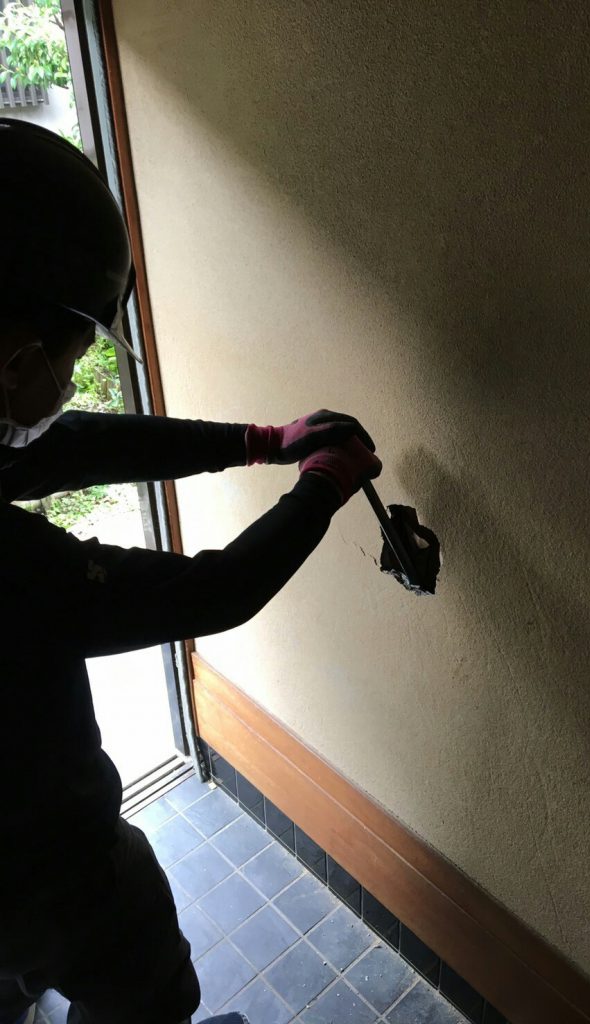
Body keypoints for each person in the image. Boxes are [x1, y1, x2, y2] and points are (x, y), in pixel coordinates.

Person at [0, 118, 381, 1024]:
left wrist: (259, 442)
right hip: (46, 868)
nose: (70, 381)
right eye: (70, 358)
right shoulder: (12, 571)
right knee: (145, 984)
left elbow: (69, 446)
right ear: (11, 353)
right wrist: (322, 486)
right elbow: (209, 592)